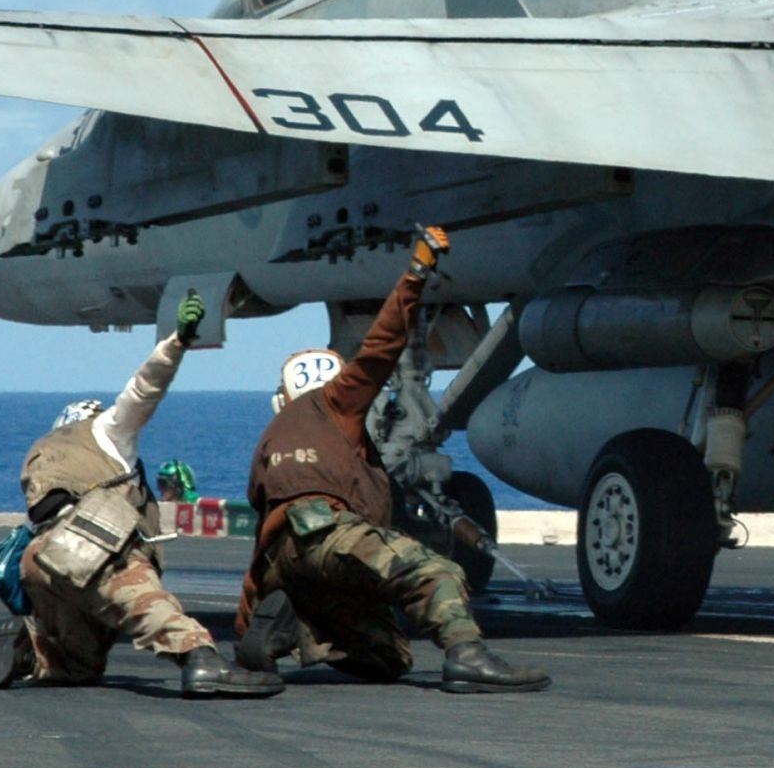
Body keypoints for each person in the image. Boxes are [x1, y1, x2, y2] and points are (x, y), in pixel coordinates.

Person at [235, 227, 550, 693]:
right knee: (438, 571)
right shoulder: (336, 402)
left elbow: (261, 541)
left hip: (285, 564)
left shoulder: (269, 440)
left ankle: (284, 622)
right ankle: (466, 654)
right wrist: (417, 271)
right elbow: (382, 347)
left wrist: (245, 636)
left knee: (390, 658)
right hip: (332, 539)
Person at [0, 292, 283, 698]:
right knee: (146, 602)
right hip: (89, 544)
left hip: (39, 563)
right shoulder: (106, 431)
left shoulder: (41, 450)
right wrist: (178, 340)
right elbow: (144, 388)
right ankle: (202, 662)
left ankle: (29, 653)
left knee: (78, 662)